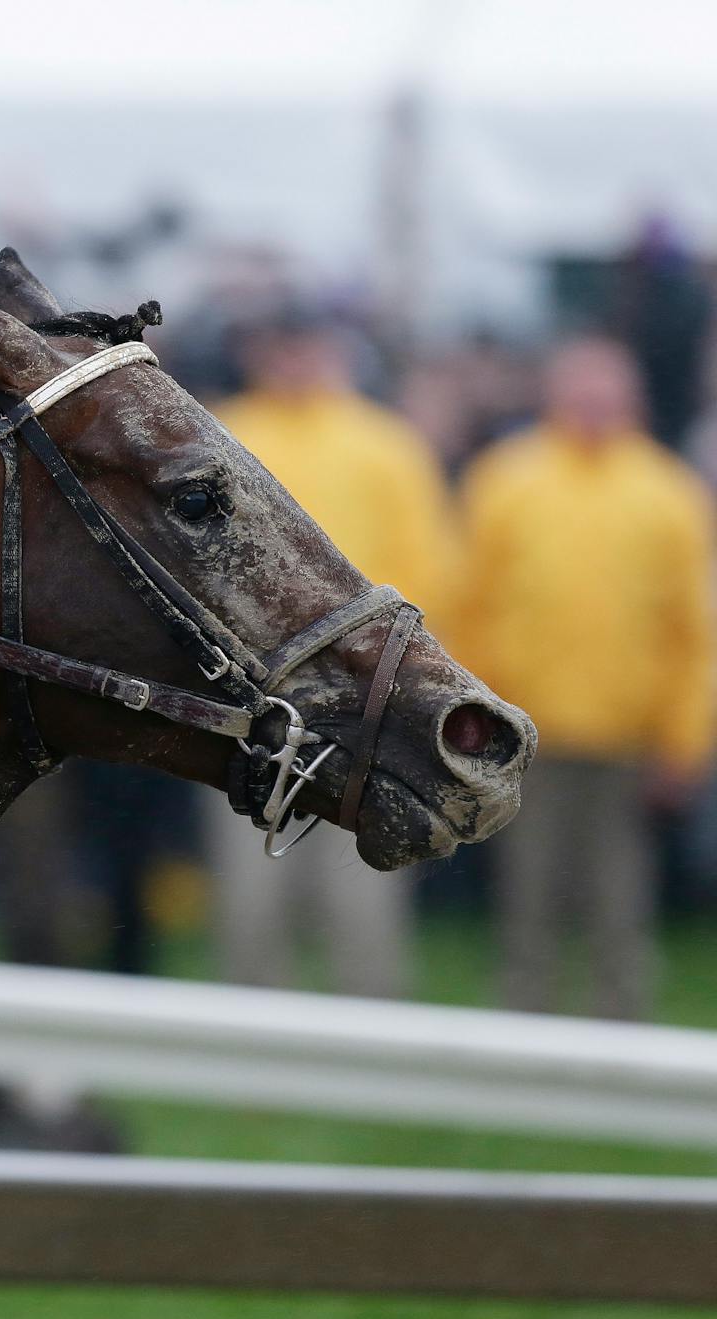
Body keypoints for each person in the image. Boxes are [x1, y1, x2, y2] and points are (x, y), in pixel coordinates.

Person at [459, 337, 717, 1019]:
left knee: (619, 897)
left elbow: (694, 633)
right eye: (582, 391)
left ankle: (619, 1032)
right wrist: (472, 719)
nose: (594, 406)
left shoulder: (669, 492)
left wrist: (683, 741)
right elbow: (471, 608)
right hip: (523, 736)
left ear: (631, 400)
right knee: (528, 892)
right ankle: (524, 1024)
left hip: (627, 738)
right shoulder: (506, 480)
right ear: (554, 394)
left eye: (608, 393)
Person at [204, 307, 459, 997]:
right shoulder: (225, 432)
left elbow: (427, 570)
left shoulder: (386, 446)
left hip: (364, 701)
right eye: (282, 345)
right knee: (250, 879)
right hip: (253, 698)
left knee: (363, 883)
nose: (294, 359)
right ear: (260, 350)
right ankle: (253, 1027)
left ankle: (372, 1028)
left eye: (306, 344)